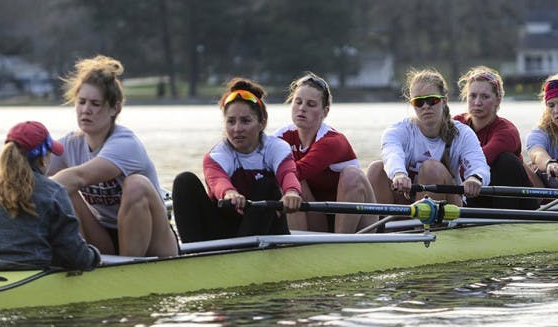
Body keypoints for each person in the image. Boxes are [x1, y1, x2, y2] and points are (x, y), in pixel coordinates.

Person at [48, 55, 178, 258]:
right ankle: (77, 260)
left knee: (136, 184)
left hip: (155, 241)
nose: (86, 110)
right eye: (81, 102)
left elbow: (80, 177)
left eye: (95, 104)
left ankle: (126, 271)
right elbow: (33, 174)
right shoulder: (69, 144)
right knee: (65, 191)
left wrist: (34, 195)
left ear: (115, 108)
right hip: (105, 237)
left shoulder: (125, 144)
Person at [0, 121, 101, 272]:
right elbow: (73, 257)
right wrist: (94, 255)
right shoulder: (53, 191)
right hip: (28, 277)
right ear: (43, 158)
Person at [172, 78, 302, 242]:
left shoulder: (277, 148)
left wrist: (291, 192)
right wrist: (229, 193)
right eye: (231, 121)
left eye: (245, 121)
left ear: (262, 123)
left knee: (267, 186)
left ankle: (242, 255)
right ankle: (193, 256)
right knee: (184, 181)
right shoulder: (217, 155)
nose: (237, 129)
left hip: (267, 230)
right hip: (224, 229)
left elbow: (288, 173)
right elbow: (218, 181)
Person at [366, 68, 490, 207]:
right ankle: (385, 226)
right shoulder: (397, 131)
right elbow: (392, 154)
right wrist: (399, 174)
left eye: (432, 100)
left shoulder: (463, 134)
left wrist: (475, 178)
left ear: (444, 101)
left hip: (448, 206)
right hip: (407, 205)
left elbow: (479, 165)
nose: (425, 106)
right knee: (376, 169)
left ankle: (427, 226)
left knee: (431, 169)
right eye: (418, 102)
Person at [275, 72, 378, 233]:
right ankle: (293, 246)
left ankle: (341, 246)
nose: (302, 108)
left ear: (325, 112)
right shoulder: (281, 137)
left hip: (357, 223)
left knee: (351, 174)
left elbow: (299, 170)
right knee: (290, 181)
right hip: (318, 219)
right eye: (298, 102)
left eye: (311, 104)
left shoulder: (332, 141)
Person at [453, 66, 537, 209]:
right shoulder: (456, 124)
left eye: (485, 97)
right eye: (473, 96)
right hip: (473, 193)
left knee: (507, 160)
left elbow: (479, 160)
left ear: (498, 100)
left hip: (513, 200)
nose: (477, 102)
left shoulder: (506, 131)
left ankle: (505, 223)